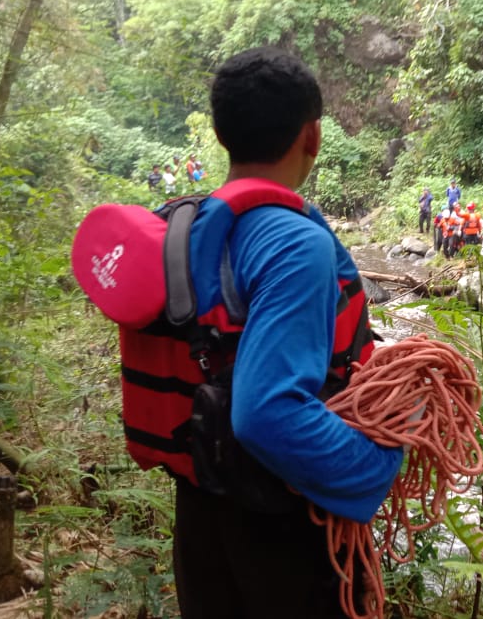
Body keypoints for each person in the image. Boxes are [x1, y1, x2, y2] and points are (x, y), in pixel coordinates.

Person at [172, 46, 402, 618]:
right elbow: (264, 412)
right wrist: (376, 467)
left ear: (223, 138)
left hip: (202, 512)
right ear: (314, 136)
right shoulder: (294, 244)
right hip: (283, 518)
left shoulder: (186, 225)